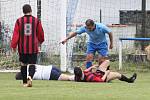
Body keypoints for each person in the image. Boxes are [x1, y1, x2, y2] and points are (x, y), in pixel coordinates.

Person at [11, 4, 44, 87]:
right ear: (31, 10)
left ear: (23, 11)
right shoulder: (36, 20)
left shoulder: (19, 21)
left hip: (22, 47)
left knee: (23, 64)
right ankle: (30, 77)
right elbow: (40, 33)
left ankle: (25, 82)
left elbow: (16, 34)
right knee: (32, 64)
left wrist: (14, 45)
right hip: (33, 47)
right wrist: (40, 41)